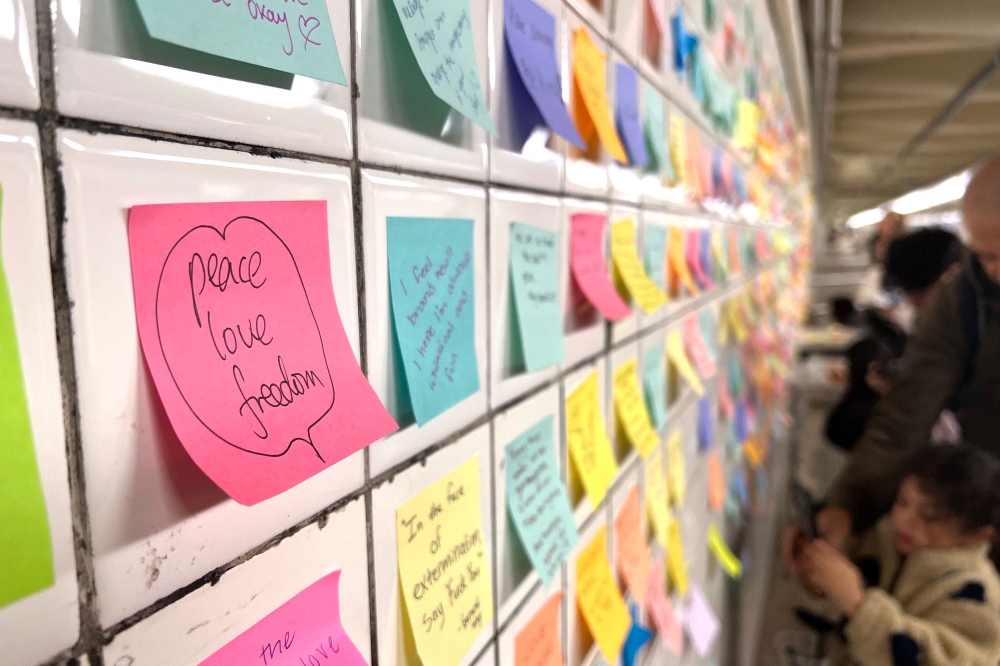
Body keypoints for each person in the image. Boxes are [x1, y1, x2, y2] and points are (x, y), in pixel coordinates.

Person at [814, 158, 1000, 545]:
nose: (995, 271)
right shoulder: (964, 300)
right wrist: (847, 506)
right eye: (986, 256)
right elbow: (903, 419)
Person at [791, 445, 1000, 666]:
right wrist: (821, 583)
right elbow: (842, 612)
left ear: (978, 535)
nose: (904, 520)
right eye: (902, 501)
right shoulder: (889, 538)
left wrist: (859, 604)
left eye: (929, 516)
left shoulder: (981, 602)